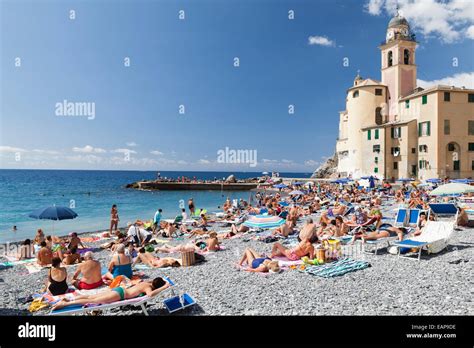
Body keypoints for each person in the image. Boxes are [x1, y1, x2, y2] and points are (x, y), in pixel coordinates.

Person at [52, 277, 170, 310]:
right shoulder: (148, 287)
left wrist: (162, 283)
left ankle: (68, 301)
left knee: (91, 296)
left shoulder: (146, 282)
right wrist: (164, 287)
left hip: (118, 290)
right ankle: (65, 304)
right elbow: (150, 295)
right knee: (92, 301)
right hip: (120, 295)